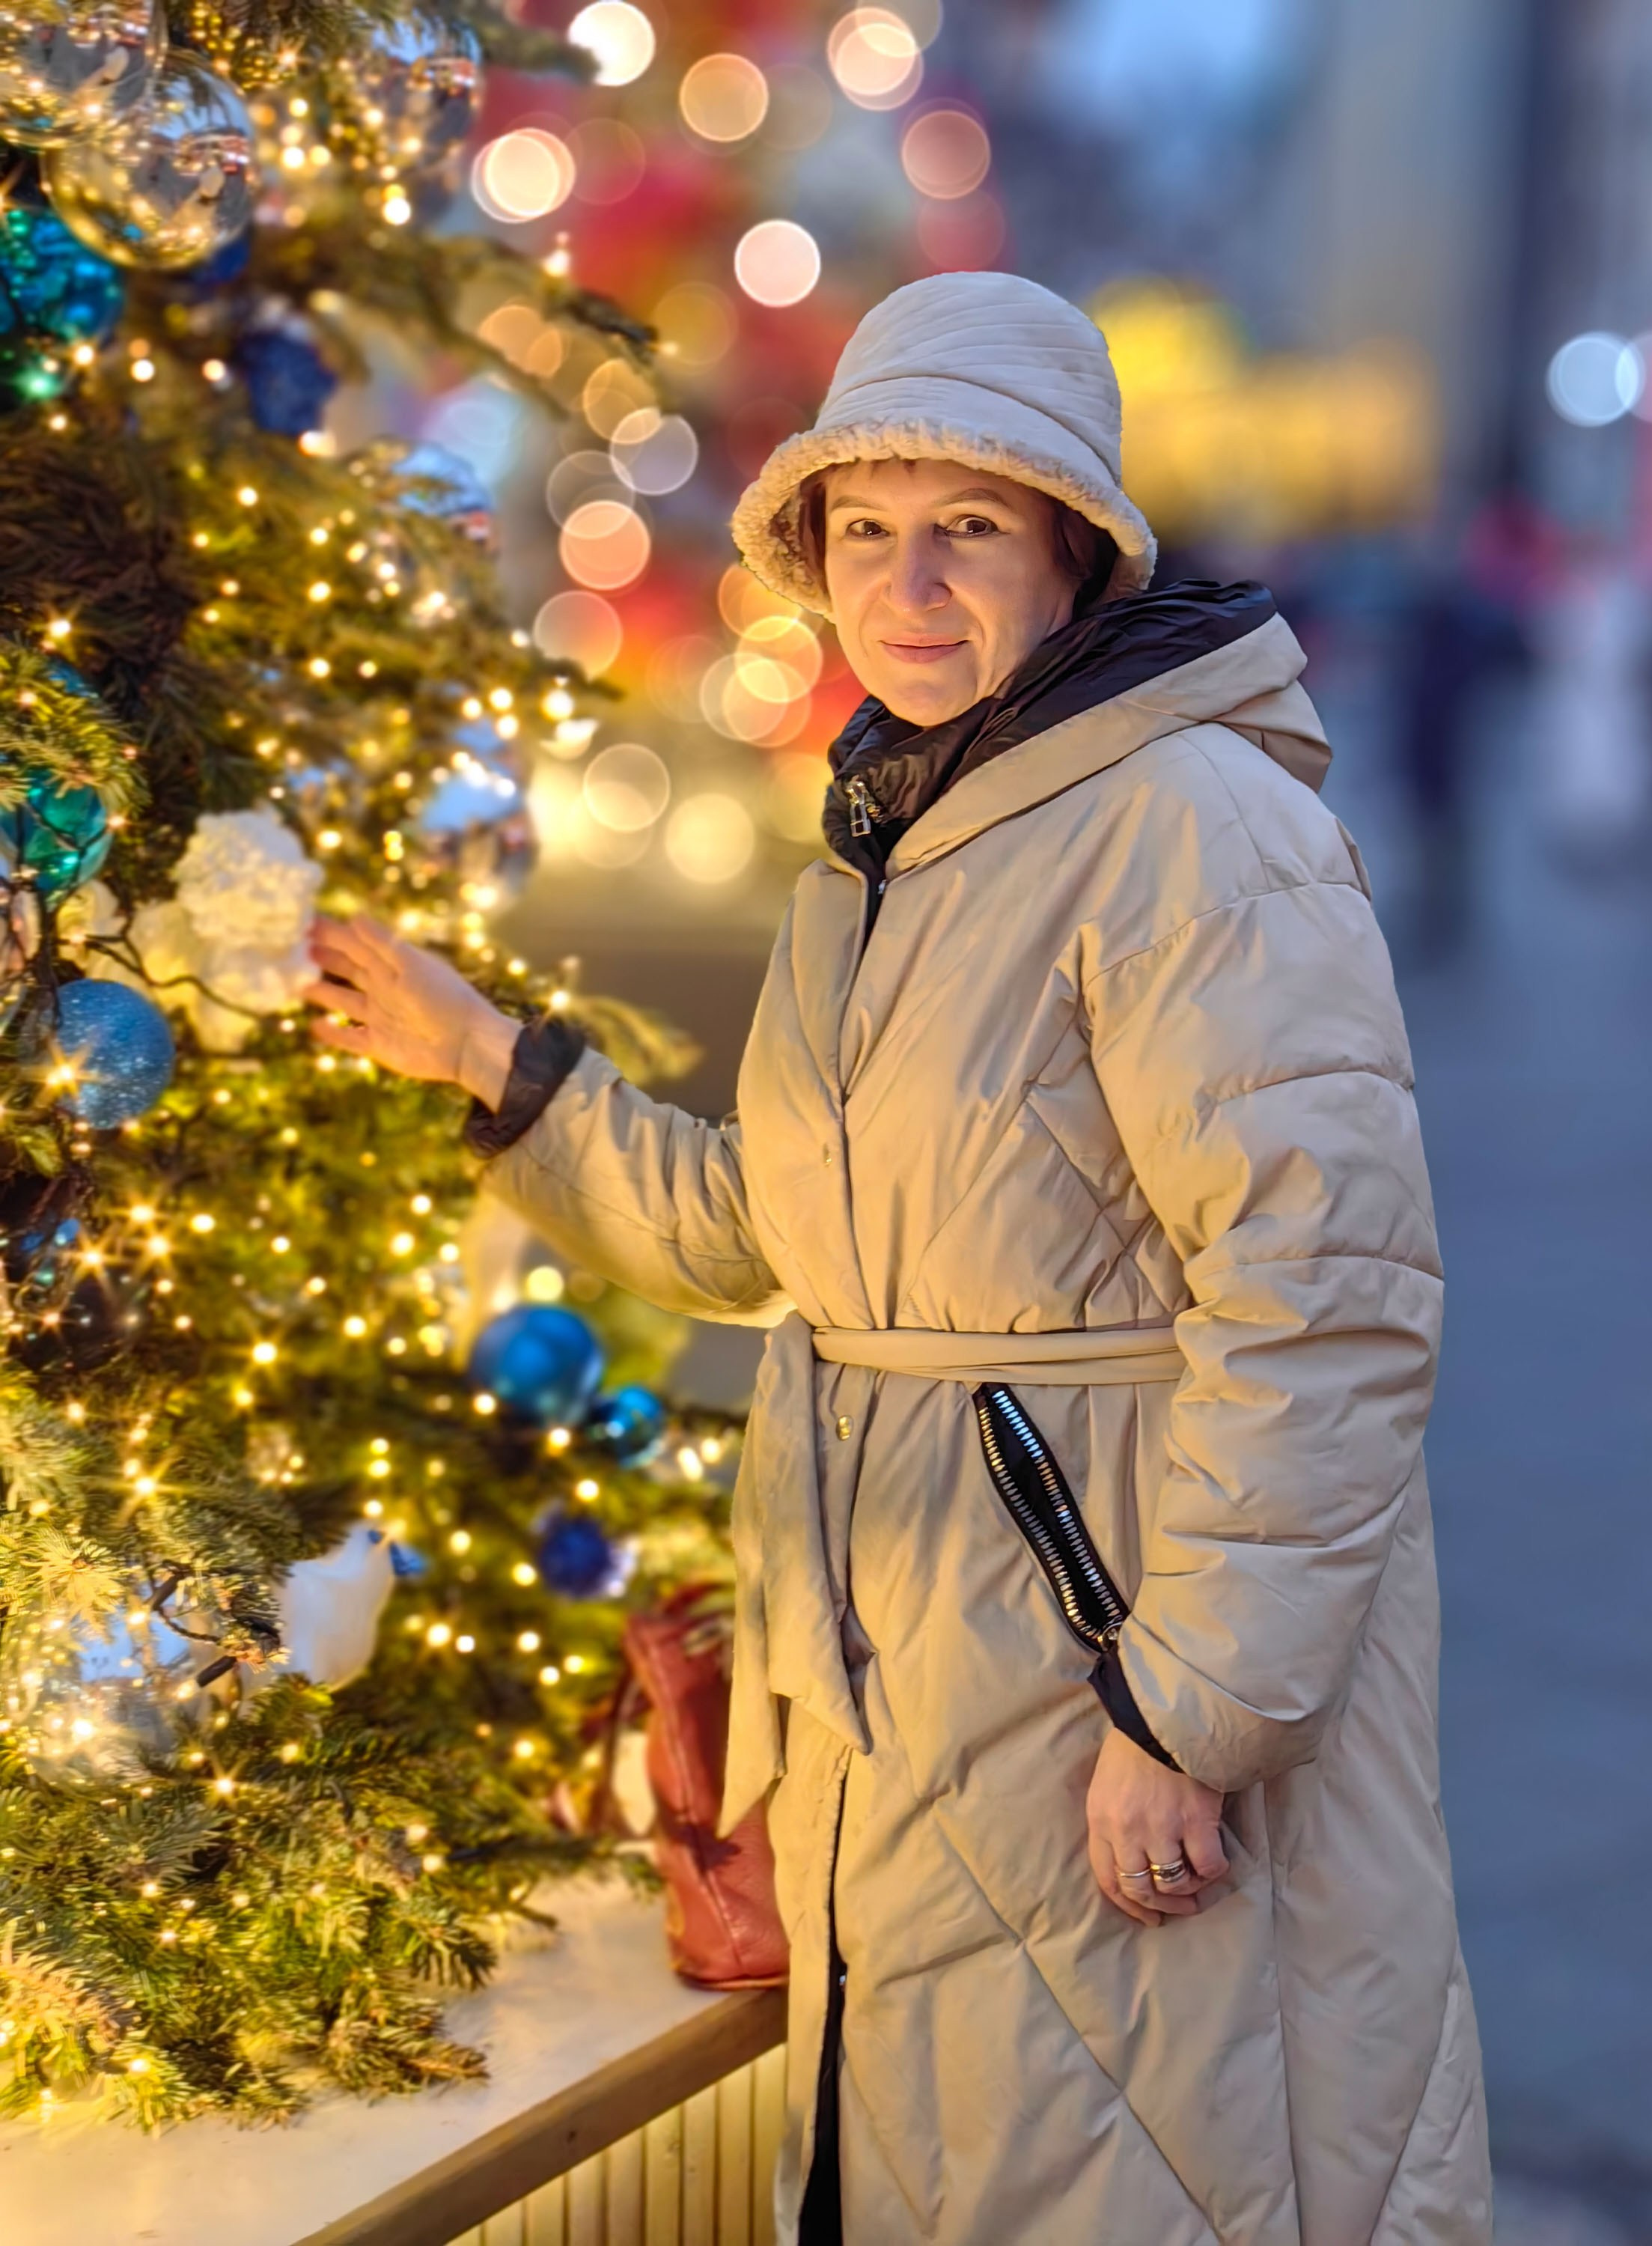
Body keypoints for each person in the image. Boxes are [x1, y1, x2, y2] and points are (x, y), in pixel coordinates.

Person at [307, 272, 1491, 2245]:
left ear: (1072, 548)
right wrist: (492, 1066)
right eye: (865, 531)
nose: (906, 583)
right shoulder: (886, 841)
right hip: (917, 1708)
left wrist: (1186, 1714)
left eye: (966, 527)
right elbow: (790, 1244)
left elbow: (1330, 1295)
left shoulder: (1185, 823)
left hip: (1101, 1681)